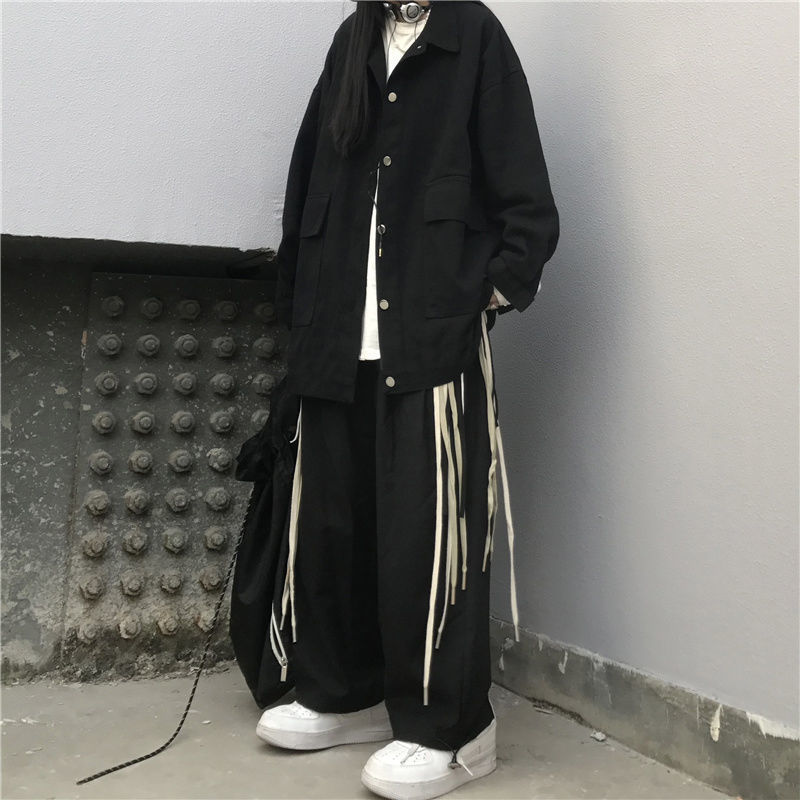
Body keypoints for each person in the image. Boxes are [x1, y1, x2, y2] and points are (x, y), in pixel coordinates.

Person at [257, 2, 559, 798]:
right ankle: (342, 691)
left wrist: (478, 299)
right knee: (330, 528)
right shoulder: (351, 43)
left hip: (428, 345)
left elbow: (526, 202)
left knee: (430, 540)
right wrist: (298, 314)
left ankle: (452, 731)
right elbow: (307, 180)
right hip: (335, 345)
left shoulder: (473, 38)